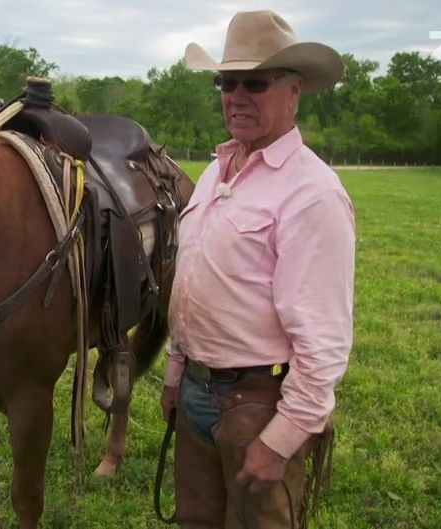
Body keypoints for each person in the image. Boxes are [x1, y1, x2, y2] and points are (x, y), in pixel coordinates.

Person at [159, 10, 355, 528]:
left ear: (293, 92)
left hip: (260, 408)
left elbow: (323, 339)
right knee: (194, 520)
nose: (237, 95)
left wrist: (284, 438)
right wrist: (177, 375)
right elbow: (193, 281)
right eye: (228, 82)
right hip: (200, 392)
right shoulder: (216, 172)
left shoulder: (312, 193)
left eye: (255, 83)